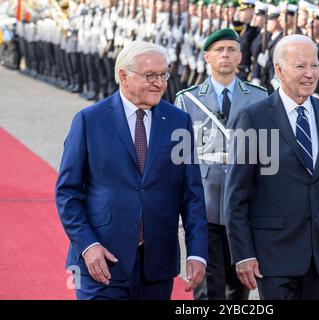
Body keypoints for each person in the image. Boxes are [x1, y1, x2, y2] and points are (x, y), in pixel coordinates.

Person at [55, 40, 208, 300]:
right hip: (101, 262)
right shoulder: (89, 120)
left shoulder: (178, 121)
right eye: (150, 75)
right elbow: (67, 193)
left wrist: (196, 252)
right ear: (123, 76)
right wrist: (88, 245)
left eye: (163, 74)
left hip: (157, 265)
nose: (159, 83)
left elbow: (191, 193)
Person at [224, 34, 319, 300]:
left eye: (314, 66)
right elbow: (236, 196)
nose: (310, 74)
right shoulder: (253, 118)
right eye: (301, 66)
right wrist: (243, 254)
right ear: (279, 70)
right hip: (273, 256)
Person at [175, 27, 267, 300]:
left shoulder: (260, 97)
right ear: (207, 56)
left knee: (239, 289)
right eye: (219, 50)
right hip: (204, 204)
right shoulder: (188, 99)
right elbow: (179, 161)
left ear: (240, 56)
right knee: (207, 291)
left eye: (231, 50)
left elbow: (268, 159)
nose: (225, 55)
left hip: (245, 207)